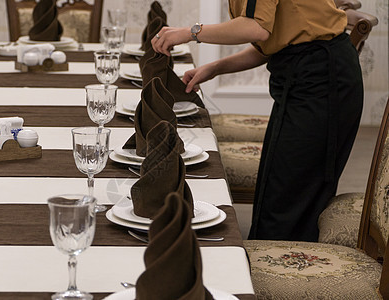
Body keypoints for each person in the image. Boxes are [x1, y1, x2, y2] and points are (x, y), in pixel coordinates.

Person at [151, 0, 363, 242]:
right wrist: (216, 68)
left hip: (322, 83)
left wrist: (190, 32)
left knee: (289, 201)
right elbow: (271, 43)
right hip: (306, 79)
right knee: (278, 193)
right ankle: (265, 263)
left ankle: (279, 274)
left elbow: (255, 29)